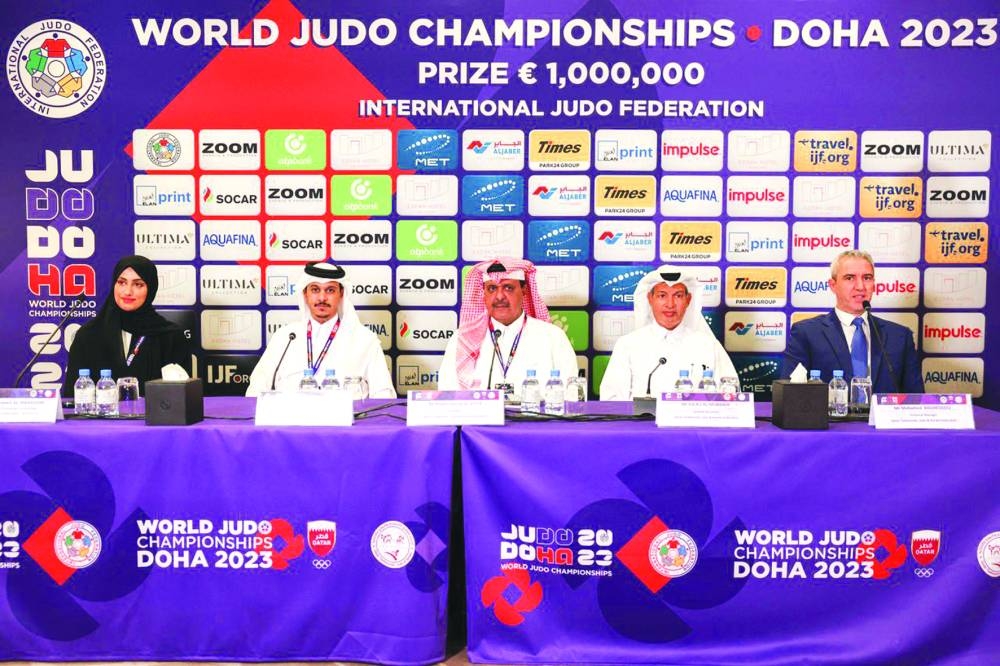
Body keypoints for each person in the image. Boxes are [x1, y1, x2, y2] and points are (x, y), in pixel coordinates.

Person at [782, 249, 923, 393]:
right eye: (850, 278)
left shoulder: (900, 337)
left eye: (867, 278)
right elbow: (790, 395)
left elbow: (917, 399)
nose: (860, 287)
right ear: (833, 285)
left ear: (874, 284)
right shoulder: (807, 333)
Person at [245, 262, 395, 397]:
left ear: (341, 294)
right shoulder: (285, 337)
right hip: (290, 419)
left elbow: (384, 394)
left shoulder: (364, 340)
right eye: (315, 289)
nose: (322, 298)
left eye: (330, 290)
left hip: (347, 419)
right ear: (305, 294)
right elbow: (256, 388)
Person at [438, 258, 577, 394]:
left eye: (508, 288)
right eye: (492, 288)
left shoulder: (552, 336)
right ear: (484, 293)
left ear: (524, 290)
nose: (499, 296)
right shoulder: (463, 340)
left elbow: (571, 394)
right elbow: (447, 392)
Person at [600, 265, 737, 400]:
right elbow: (611, 400)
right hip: (642, 416)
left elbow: (731, 396)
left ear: (688, 300)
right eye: (662, 296)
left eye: (678, 296)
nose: (670, 304)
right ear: (650, 299)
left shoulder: (708, 345)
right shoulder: (628, 345)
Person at [63, 255, 191, 396]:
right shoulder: (88, 335)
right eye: (122, 282)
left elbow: (181, 397)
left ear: (151, 288)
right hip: (100, 411)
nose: (128, 291)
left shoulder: (171, 337)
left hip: (156, 411)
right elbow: (72, 396)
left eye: (138, 284)